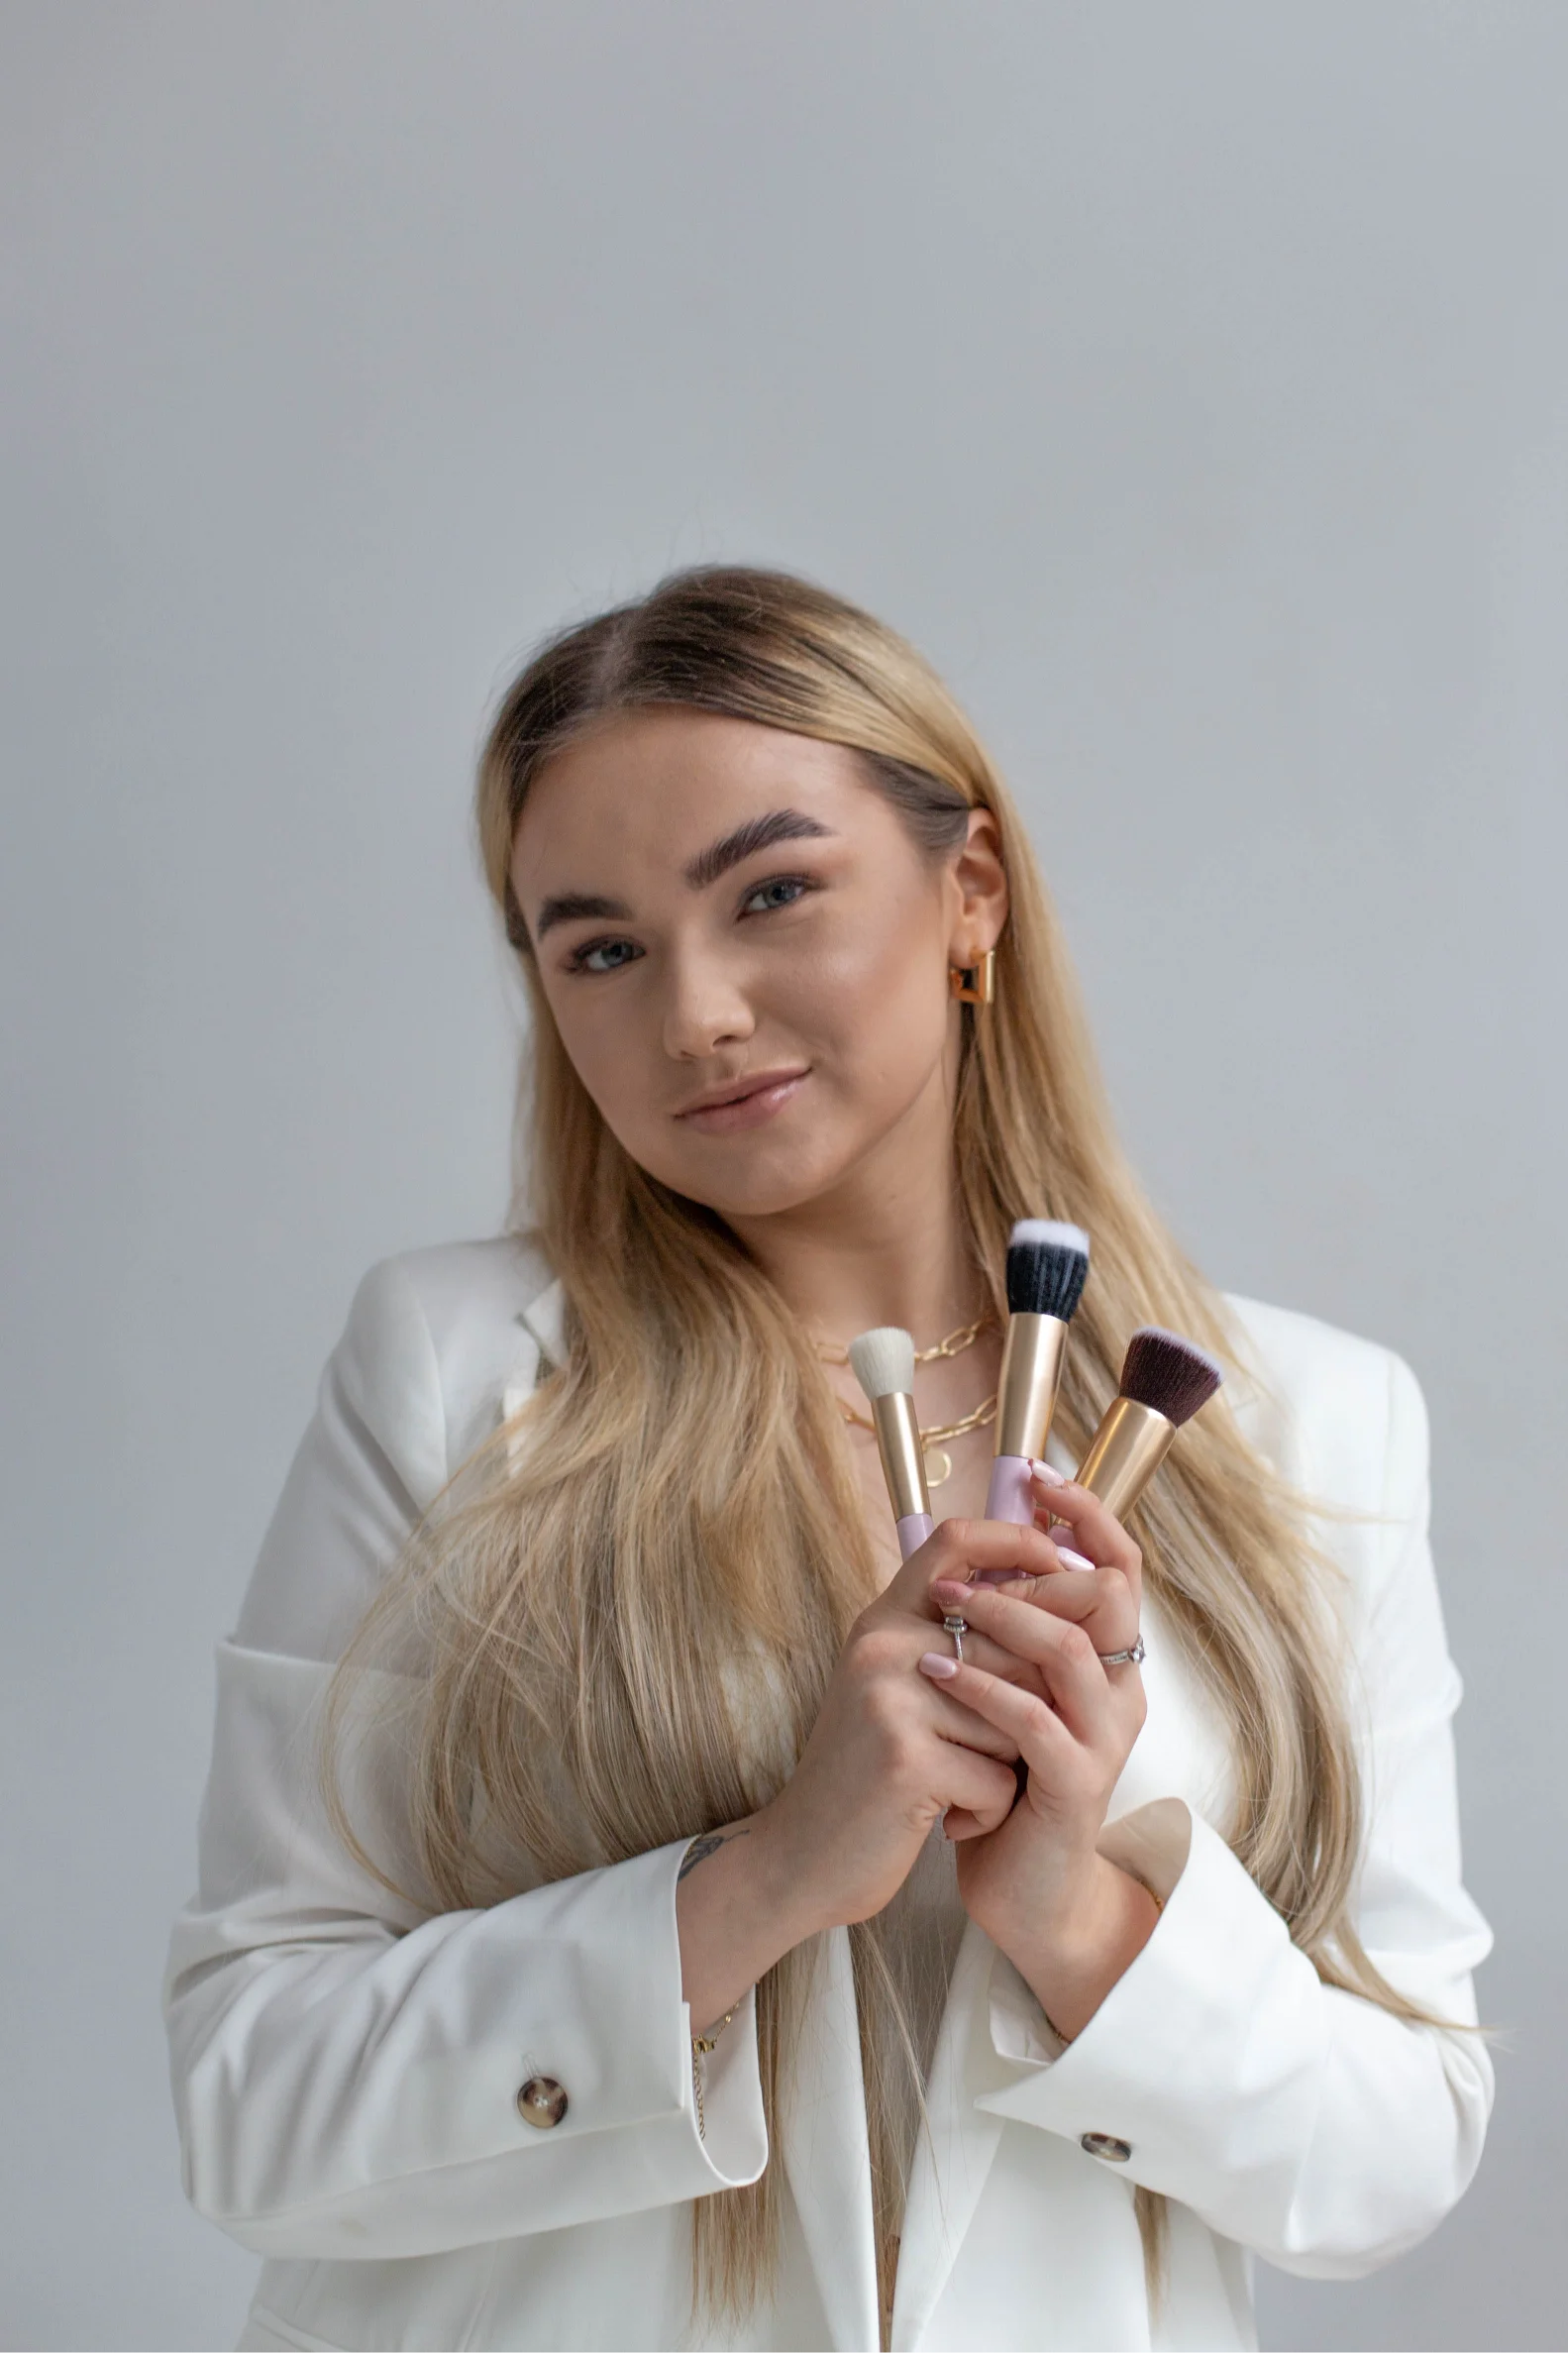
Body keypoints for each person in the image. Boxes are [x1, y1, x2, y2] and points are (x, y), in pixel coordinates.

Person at [163, 567, 1492, 2353]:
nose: (696, 1011)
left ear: (969, 892)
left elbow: (1395, 2151)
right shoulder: (458, 1373)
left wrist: (1076, 1918)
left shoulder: (1306, 1423)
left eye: (771, 892)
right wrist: (768, 1875)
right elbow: (251, 2098)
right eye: (600, 949)